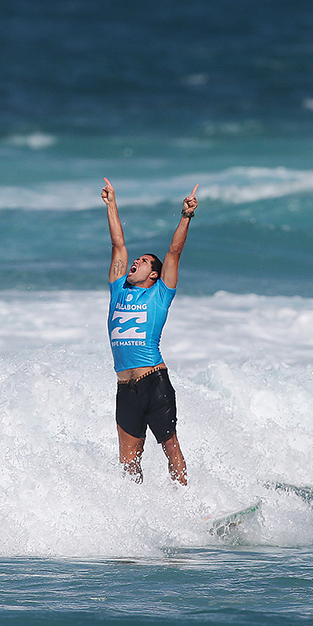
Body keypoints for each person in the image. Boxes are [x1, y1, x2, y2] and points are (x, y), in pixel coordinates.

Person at [102, 177, 198, 485]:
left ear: (153, 274)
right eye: (136, 260)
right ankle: (139, 517)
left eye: (142, 262)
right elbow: (118, 245)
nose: (135, 263)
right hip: (125, 389)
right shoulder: (118, 290)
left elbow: (174, 252)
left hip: (154, 382)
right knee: (129, 462)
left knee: (171, 448)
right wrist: (112, 204)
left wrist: (185, 217)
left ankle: (187, 504)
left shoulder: (160, 294)